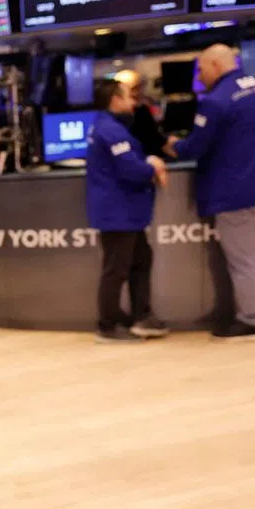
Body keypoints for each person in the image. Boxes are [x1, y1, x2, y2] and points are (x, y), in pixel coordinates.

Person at [165, 44, 255, 341]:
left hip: (237, 193)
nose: (199, 77)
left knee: (243, 261)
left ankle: (251, 321)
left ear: (215, 65)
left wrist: (173, 145)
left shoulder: (215, 101)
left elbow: (195, 147)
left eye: (201, 69)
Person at [85, 77, 171, 343]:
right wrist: (152, 166)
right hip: (118, 212)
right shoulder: (111, 131)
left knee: (141, 261)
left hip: (126, 212)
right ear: (115, 100)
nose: (133, 102)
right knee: (116, 269)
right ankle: (108, 326)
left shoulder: (108, 126)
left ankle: (141, 317)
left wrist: (148, 160)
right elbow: (131, 170)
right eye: (128, 96)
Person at [113, 69, 168, 157]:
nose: (137, 93)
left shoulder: (142, 109)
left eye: (138, 88)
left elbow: (154, 137)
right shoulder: (112, 121)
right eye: (133, 89)